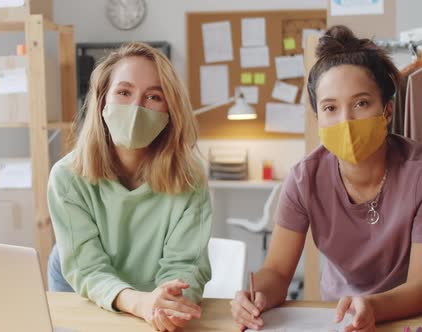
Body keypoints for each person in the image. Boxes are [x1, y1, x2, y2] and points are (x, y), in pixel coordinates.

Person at [231, 25, 422, 332]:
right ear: (318, 119)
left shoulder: (418, 175)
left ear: (387, 111)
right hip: (337, 320)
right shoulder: (304, 178)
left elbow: (419, 287)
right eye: (330, 108)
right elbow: (278, 272)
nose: (345, 121)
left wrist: (371, 305)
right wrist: (256, 296)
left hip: (405, 320)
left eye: (361, 103)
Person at [47, 42, 212, 332]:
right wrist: (140, 304)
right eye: (124, 92)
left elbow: (185, 264)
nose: (136, 107)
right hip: (85, 293)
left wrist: (169, 302)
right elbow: (88, 269)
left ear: (170, 109)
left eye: (153, 96)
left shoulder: (190, 177)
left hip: (156, 300)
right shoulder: (66, 177)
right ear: (102, 101)